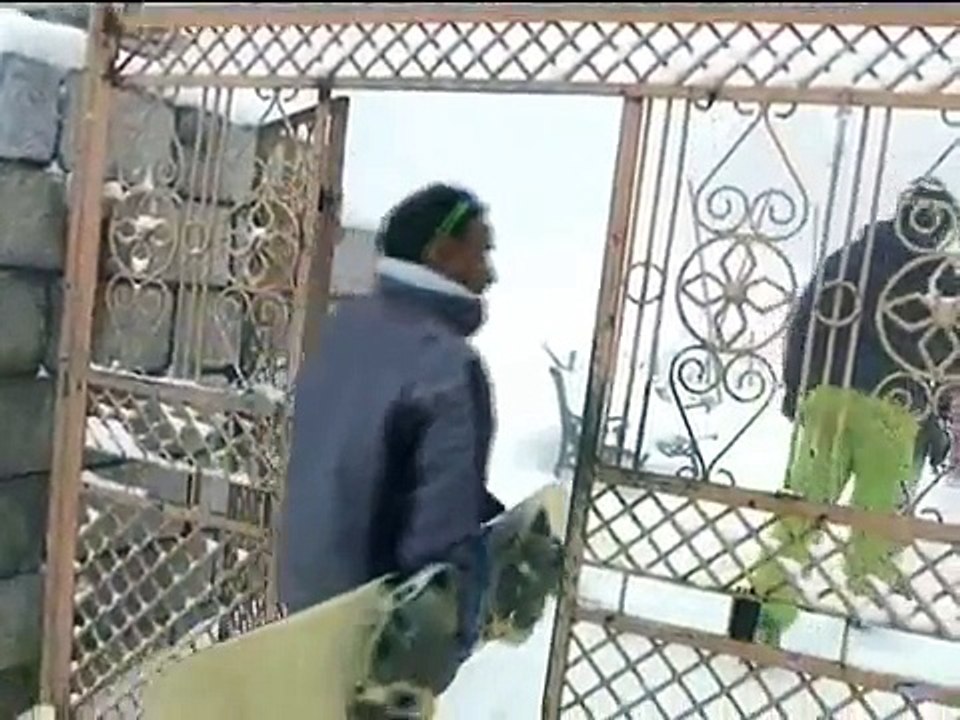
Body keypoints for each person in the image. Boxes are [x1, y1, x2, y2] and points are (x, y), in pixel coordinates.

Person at [276, 183, 504, 673]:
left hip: (305, 605)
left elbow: (353, 459)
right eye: (481, 251)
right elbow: (437, 540)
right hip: (379, 633)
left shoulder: (345, 327)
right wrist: (448, 636)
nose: (490, 274)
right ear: (441, 254)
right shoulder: (446, 364)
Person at [746, 176, 958, 645]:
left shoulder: (849, 259)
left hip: (829, 399)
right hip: (895, 411)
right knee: (878, 517)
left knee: (800, 507)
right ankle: (867, 606)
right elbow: (951, 360)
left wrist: (796, 387)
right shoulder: (943, 281)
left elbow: (802, 320)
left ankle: (763, 609)